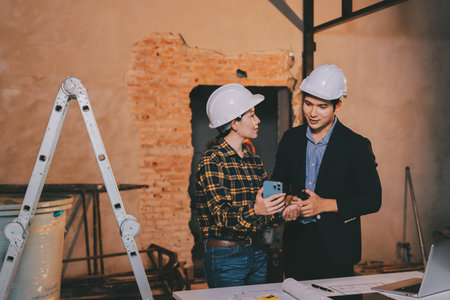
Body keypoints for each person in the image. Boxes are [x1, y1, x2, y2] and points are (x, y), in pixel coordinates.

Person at [271, 64, 382, 280]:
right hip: (296, 247)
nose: (312, 113)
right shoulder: (290, 140)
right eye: (308, 104)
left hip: (337, 250)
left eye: (322, 107)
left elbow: (373, 199)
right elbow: (274, 185)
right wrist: (285, 201)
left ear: (337, 106)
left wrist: (325, 205)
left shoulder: (356, 145)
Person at [196, 83, 301, 288]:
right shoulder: (211, 161)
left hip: (256, 252)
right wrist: (256, 210)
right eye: (251, 115)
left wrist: (285, 209)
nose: (258, 120)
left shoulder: (254, 159)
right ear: (234, 123)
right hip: (225, 256)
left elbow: (267, 204)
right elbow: (221, 215)